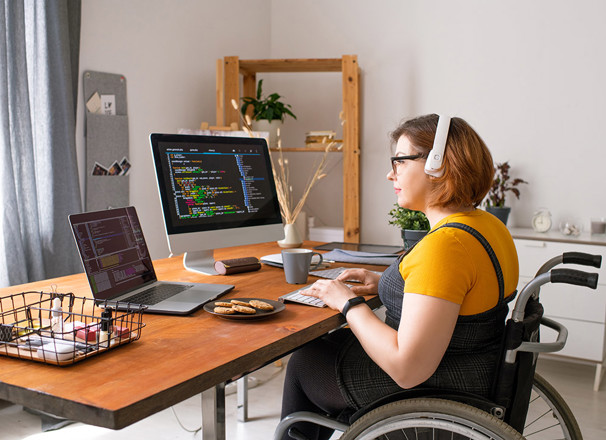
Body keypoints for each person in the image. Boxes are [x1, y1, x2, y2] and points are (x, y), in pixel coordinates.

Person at [279, 114, 519, 440]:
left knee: (305, 363)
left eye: (400, 161)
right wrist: (385, 283)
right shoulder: (487, 226)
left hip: (435, 384)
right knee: (325, 347)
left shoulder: (446, 246)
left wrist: (348, 303)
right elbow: (457, 295)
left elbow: (408, 369)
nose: (390, 173)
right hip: (471, 368)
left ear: (438, 165)